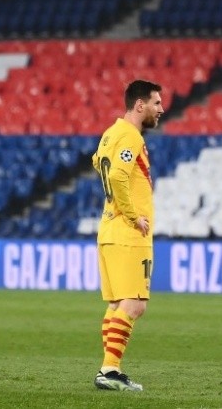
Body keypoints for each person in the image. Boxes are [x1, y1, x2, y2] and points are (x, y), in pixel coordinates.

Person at [91, 80, 164, 391]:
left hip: (108, 229)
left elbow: (98, 163)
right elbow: (119, 174)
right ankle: (109, 370)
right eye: (156, 103)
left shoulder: (111, 133)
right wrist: (134, 216)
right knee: (134, 304)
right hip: (127, 233)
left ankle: (109, 369)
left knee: (118, 303)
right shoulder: (131, 135)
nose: (161, 109)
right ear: (140, 105)